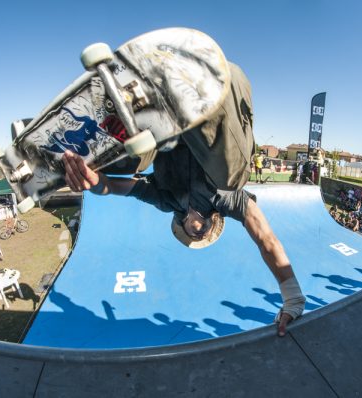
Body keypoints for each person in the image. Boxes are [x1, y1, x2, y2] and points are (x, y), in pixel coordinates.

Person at [63, 63, 305, 336]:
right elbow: (265, 239)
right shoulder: (227, 202)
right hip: (215, 113)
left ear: (181, 226)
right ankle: (213, 96)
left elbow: (122, 188)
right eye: (203, 235)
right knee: (232, 180)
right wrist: (293, 297)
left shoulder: (165, 201)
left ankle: (121, 113)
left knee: (129, 166)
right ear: (213, 224)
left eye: (193, 236)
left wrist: (96, 183)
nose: (197, 233)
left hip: (161, 123)